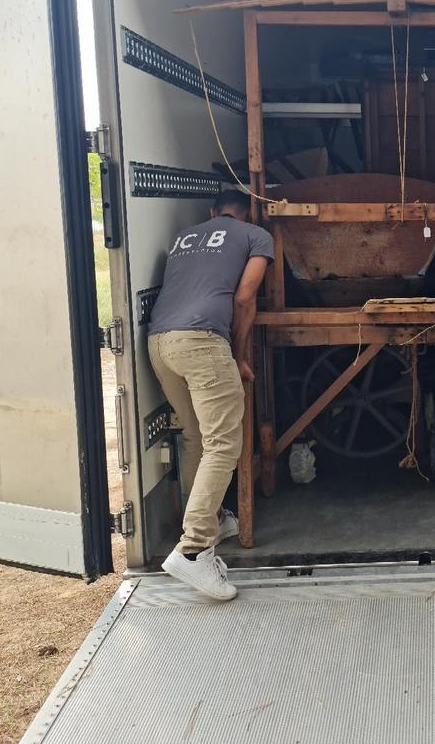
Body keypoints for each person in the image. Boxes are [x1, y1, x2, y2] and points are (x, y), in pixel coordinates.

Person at [148, 189, 273, 599]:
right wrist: (238, 356)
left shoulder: (185, 237)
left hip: (160, 343)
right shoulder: (256, 235)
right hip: (202, 342)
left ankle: (214, 518)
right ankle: (193, 549)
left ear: (212, 212)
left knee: (196, 438)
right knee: (224, 444)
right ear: (249, 213)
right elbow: (244, 295)